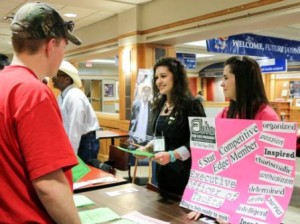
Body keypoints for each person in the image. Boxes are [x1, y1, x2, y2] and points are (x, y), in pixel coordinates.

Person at [0, 2, 82, 223]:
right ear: (51, 45)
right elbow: (49, 185)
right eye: (64, 47)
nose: (62, 54)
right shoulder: (32, 92)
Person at [187, 56, 279, 223]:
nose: (222, 83)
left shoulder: (266, 117)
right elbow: (214, 162)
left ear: (243, 80)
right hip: (226, 201)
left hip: (252, 208)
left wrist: (237, 211)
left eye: (226, 77)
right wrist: (206, 201)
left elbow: (268, 175)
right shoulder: (225, 113)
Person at [137, 57, 206, 198]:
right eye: (156, 77)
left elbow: (202, 142)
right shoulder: (159, 104)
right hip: (163, 173)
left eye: (163, 76)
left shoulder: (192, 104)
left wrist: (173, 155)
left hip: (185, 174)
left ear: (176, 77)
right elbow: (160, 137)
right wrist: (147, 148)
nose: (158, 81)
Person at [52, 61, 101, 164]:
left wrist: (71, 156)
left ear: (67, 79)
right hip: (75, 139)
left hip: (85, 141)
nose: (53, 78)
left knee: (86, 175)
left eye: (56, 75)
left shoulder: (74, 96)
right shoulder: (61, 97)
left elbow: (75, 128)